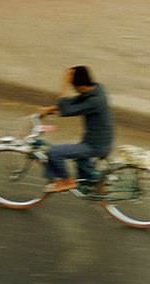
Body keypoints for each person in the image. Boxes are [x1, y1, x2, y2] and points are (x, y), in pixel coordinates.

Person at [38, 65, 114, 193]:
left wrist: (64, 84)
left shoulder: (95, 101)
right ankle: (92, 182)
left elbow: (69, 109)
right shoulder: (97, 88)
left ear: (81, 86)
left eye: (74, 87)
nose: (74, 89)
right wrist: (51, 109)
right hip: (97, 140)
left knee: (54, 152)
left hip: (95, 145)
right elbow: (77, 101)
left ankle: (67, 181)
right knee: (81, 163)